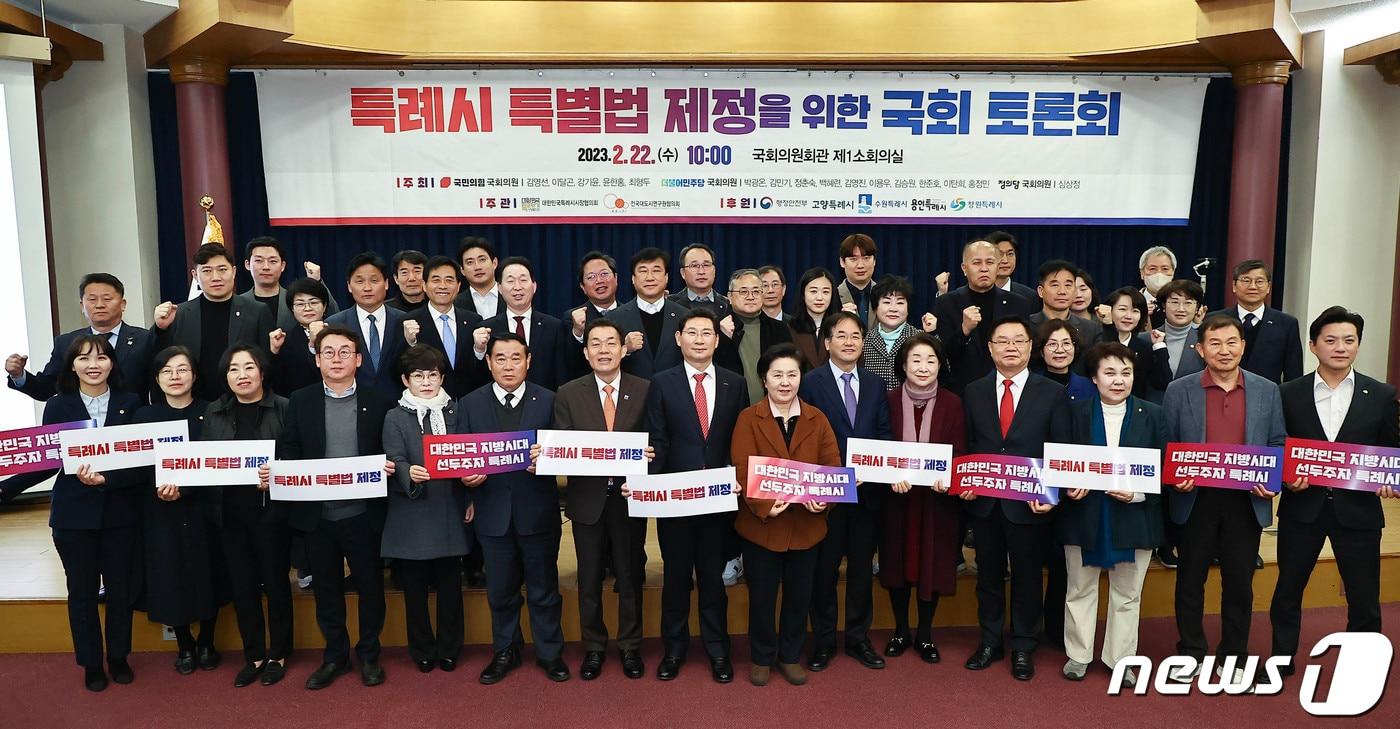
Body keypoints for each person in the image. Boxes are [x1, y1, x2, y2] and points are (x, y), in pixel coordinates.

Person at [1270, 307, 1399, 676]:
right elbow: (1277, 446)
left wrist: (1390, 478)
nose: (1340, 347)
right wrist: (1284, 478)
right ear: (1313, 346)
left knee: (1364, 595)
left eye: (1349, 340)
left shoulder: (1381, 394)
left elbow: (1391, 449)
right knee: (1288, 590)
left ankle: (1361, 665)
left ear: (1358, 344)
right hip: (1302, 507)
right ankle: (1281, 658)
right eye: (1331, 340)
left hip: (1358, 510)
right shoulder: (1287, 393)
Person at [1162, 315, 1285, 685]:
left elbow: (1277, 441)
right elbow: (1167, 443)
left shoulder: (1267, 389)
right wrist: (1175, 478)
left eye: (1232, 342)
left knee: (1239, 583)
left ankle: (1233, 654)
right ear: (1200, 349)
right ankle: (1191, 651)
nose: (1224, 350)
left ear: (1243, 346)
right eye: (1214, 343)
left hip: (1245, 500)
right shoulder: (1179, 390)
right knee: (1190, 580)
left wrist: (1272, 480)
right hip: (1195, 499)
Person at [275, 325, 397, 690]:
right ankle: (335, 656)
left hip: (364, 514)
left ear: (358, 359)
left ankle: (369, 654)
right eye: (328, 352)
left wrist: (390, 466)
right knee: (326, 591)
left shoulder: (380, 400)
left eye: (345, 352)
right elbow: (290, 448)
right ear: (317, 360)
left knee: (371, 588)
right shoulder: (301, 400)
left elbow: (390, 448)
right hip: (318, 517)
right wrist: (280, 472)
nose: (337, 359)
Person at [961, 317, 1068, 681]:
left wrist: (1052, 493)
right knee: (988, 576)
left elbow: (1059, 450)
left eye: (1018, 341)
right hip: (985, 502)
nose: (1010, 347)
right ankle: (990, 641)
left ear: (1030, 347)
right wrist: (965, 480)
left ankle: (1024, 645)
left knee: (1027, 577)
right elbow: (968, 445)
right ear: (990, 348)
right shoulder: (973, 391)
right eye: (1002, 341)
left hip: (1030, 504)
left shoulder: (1051, 392)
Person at [459, 333, 569, 684]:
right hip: (492, 514)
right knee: (500, 591)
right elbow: (459, 456)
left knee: (544, 589)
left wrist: (548, 462)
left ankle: (550, 653)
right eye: (501, 358)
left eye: (516, 358)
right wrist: (466, 480)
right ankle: (505, 650)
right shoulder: (470, 403)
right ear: (488, 362)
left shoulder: (550, 400)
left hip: (537, 512)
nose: (508, 366)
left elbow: (567, 451)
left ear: (528, 361)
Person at [645, 309, 747, 683]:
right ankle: (674, 649)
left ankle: (718, 649)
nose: (700, 339)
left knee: (712, 578)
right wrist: (646, 485)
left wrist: (738, 477)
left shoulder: (735, 383)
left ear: (718, 341)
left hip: (718, 500)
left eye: (707, 333)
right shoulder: (661, 382)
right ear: (679, 339)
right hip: (675, 500)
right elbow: (658, 439)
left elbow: (740, 439)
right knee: (675, 578)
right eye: (692, 332)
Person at [1058, 342, 1168, 684]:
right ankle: (1078, 655)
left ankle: (1120, 659)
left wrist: (1138, 493)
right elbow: (1061, 463)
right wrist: (1068, 486)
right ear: (1094, 377)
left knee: (1128, 593)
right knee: (1079, 588)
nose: (1118, 380)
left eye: (1126, 373)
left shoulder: (1154, 414)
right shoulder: (1074, 413)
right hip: (1084, 513)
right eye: (1109, 373)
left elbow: (1164, 467)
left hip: (1135, 515)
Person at [730, 343, 837, 686]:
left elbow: (831, 466)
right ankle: (762, 657)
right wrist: (763, 505)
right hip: (761, 527)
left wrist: (823, 499)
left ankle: (790, 655)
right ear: (764, 379)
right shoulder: (749, 418)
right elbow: (742, 467)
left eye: (792, 374)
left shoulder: (817, 418)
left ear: (801, 378)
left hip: (806, 526)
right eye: (777, 375)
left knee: (799, 596)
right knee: (762, 597)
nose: (785, 382)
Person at [42, 334, 145, 691]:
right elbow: (48, 459)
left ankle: (118, 657)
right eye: (84, 358)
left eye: (101, 357)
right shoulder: (58, 406)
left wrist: (107, 479)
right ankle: (90, 663)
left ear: (112, 364)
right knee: (82, 592)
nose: (93, 365)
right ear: (72, 366)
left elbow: (141, 460)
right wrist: (6, 487)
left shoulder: (130, 402)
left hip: (120, 513)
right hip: (73, 516)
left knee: (120, 590)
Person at [555, 318, 652, 681]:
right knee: (589, 577)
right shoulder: (568, 393)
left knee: (630, 575)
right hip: (587, 499)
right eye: (595, 343)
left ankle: (630, 645)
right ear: (585, 353)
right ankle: (594, 647)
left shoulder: (645, 389)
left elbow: (656, 437)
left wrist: (651, 454)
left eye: (611, 342)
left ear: (624, 349)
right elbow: (563, 446)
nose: (604, 350)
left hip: (630, 497)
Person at [799, 310, 894, 672]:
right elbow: (805, 438)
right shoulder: (810, 382)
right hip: (827, 497)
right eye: (841, 335)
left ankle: (858, 638)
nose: (849, 342)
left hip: (867, 495)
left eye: (856, 335)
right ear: (827, 343)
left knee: (860, 572)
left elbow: (884, 433)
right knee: (823, 572)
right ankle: (823, 641)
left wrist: (874, 469)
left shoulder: (874, 384)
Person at [203, 344, 294, 687]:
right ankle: (253, 654)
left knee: (276, 584)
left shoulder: (284, 407)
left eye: (249, 367)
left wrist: (278, 474)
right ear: (225, 376)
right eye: (233, 369)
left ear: (262, 372)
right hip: (229, 514)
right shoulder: (214, 411)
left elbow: (295, 456)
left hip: (271, 513)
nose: (242, 375)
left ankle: (279, 653)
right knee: (243, 587)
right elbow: (204, 461)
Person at [382, 345, 471, 674]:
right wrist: (408, 472)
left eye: (432, 375)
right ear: (406, 380)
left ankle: (449, 648)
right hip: (412, 511)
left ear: (442, 378)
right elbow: (394, 457)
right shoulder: (395, 416)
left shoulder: (456, 411)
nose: (426, 382)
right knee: (415, 590)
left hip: (448, 507)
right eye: (418, 376)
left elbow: (470, 456)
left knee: (450, 588)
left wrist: (470, 497)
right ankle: (421, 649)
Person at [879, 333, 966, 663]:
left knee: (932, 564)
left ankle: (925, 635)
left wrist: (950, 477)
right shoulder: (887, 400)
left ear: (940, 366)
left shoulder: (953, 403)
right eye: (916, 359)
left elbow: (960, 451)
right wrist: (889, 475)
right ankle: (901, 631)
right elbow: (878, 450)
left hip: (936, 502)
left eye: (931, 360)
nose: (923, 366)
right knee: (897, 564)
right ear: (903, 365)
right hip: (897, 500)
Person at [136, 346, 219, 676]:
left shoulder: (212, 411)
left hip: (204, 507)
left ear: (194, 376)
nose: (175, 377)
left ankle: (207, 641)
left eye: (182, 369)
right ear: (157, 378)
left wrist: (186, 488)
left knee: (208, 571)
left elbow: (218, 462)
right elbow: (137, 467)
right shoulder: (144, 417)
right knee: (169, 575)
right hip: (160, 508)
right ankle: (184, 644)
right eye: (167, 371)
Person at [5, 272, 155, 404]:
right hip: (81, 424)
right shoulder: (66, 343)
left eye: (107, 299)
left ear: (123, 304)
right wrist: (18, 375)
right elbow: (46, 389)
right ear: (82, 306)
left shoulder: (145, 339)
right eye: (92, 299)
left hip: (133, 420)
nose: (99, 305)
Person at [152, 243, 276, 401]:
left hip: (243, 401)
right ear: (195, 275)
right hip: (194, 401)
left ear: (234, 271)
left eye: (222, 270)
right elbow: (160, 360)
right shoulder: (179, 313)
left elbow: (268, 361)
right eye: (207, 271)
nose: (216, 277)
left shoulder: (257, 311)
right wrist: (160, 329)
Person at [933, 239, 1034, 393]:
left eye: (990, 262)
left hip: (1008, 388)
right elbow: (943, 354)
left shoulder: (1018, 303)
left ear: (997, 267)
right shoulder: (946, 303)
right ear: (964, 268)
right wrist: (964, 330)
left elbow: (1025, 349)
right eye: (977, 263)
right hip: (962, 389)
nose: (984, 269)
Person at [323, 252, 410, 392]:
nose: (367, 288)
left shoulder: (404, 321)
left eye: (374, 281)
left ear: (386, 284)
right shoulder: (334, 324)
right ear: (349, 286)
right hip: (353, 400)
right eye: (359, 281)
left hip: (397, 401)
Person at [402, 255, 486, 399]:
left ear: (458, 286)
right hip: (428, 403)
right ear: (424, 285)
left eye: (449, 280)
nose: (443, 286)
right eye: (436, 280)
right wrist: (411, 343)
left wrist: (479, 351)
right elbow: (399, 368)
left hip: (469, 402)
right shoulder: (408, 322)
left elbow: (482, 371)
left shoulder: (474, 321)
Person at [1207, 260, 1304, 385]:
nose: (1252, 287)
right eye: (1246, 280)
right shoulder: (1213, 320)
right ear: (1234, 286)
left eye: (1259, 281)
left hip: (1267, 394)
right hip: (1219, 392)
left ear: (1268, 287)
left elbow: (1294, 374)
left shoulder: (1286, 324)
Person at [608, 247, 688, 380]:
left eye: (656, 271)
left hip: (674, 389)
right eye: (643, 271)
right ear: (633, 279)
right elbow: (603, 361)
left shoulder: (685, 316)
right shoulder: (614, 318)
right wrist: (624, 349)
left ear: (666, 277)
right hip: (631, 391)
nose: (649, 277)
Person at [716, 268, 793, 404]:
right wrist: (724, 338)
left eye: (756, 291)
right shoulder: (717, 329)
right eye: (743, 292)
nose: (750, 297)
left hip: (772, 407)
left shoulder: (779, 329)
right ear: (729, 296)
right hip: (729, 406)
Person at [237, 235, 339, 330]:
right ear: (247, 264)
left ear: (282, 266)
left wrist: (317, 281)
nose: (266, 267)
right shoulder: (238, 303)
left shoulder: (296, 300)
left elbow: (333, 315)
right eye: (259, 261)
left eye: (273, 261)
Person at [859, 276, 935, 390]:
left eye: (900, 303)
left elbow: (943, 369)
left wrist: (932, 335)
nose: (893, 309)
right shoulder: (865, 340)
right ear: (875, 308)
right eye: (886, 302)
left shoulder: (921, 338)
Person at [1096, 287, 1169, 400]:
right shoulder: (1096, 342)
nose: (1128, 316)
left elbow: (1162, 383)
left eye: (1135, 311)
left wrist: (1159, 347)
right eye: (1122, 309)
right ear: (1109, 310)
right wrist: (1109, 326)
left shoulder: (1144, 347)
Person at [267, 277, 331, 397]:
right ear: (292, 309)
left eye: (314, 302)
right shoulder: (283, 339)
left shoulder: (337, 334)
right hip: (299, 401)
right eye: (300, 304)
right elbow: (276, 383)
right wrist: (274, 352)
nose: (307, 308)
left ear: (324, 305)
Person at [1148, 279, 1206, 390]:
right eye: (1175, 302)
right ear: (1164, 305)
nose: (1181, 309)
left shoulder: (1204, 341)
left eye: (1188, 303)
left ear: (1197, 307)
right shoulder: (1146, 339)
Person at [1028, 260, 1099, 345]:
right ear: (1041, 291)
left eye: (1068, 285)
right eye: (1055, 285)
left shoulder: (1091, 329)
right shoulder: (1027, 325)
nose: (1062, 291)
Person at [787, 267, 841, 370]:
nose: (819, 298)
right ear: (803, 294)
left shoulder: (841, 327)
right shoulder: (789, 328)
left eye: (825, 292)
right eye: (813, 291)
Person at [1032, 319, 1095, 403]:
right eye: (1052, 344)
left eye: (1066, 343)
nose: (1060, 350)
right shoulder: (1030, 385)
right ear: (1041, 351)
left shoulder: (1087, 386)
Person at [669, 243, 731, 318]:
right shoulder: (669, 303)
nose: (701, 272)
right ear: (683, 273)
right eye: (694, 266)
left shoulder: (728, 304)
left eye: (706, 265)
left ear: (714, 271)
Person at [985, 231, 1040, 309]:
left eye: (1010, 254)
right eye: (999, 254)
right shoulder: (973, 293)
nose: (1005, 260)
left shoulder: (1030, 297)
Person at [454, 236, 505, 319]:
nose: (477, 267)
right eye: (470, 262)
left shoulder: (511, 296)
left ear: (494, 263)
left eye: (482, 260)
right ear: (462, 270)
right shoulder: (455, 304)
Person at [836, 233, 878, 327]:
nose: (860, 265)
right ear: (842, 262)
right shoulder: (833, 297)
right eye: (853, 259)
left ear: (874, 261)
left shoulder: (885, 295)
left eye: (866, 258)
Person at [1137, 245, 1177, 329]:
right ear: (1142, 273)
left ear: (1173, 272)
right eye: (1152, 269)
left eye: (1165, 269)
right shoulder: (1131, 303)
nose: (1159, 273)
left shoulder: (1183, 304)